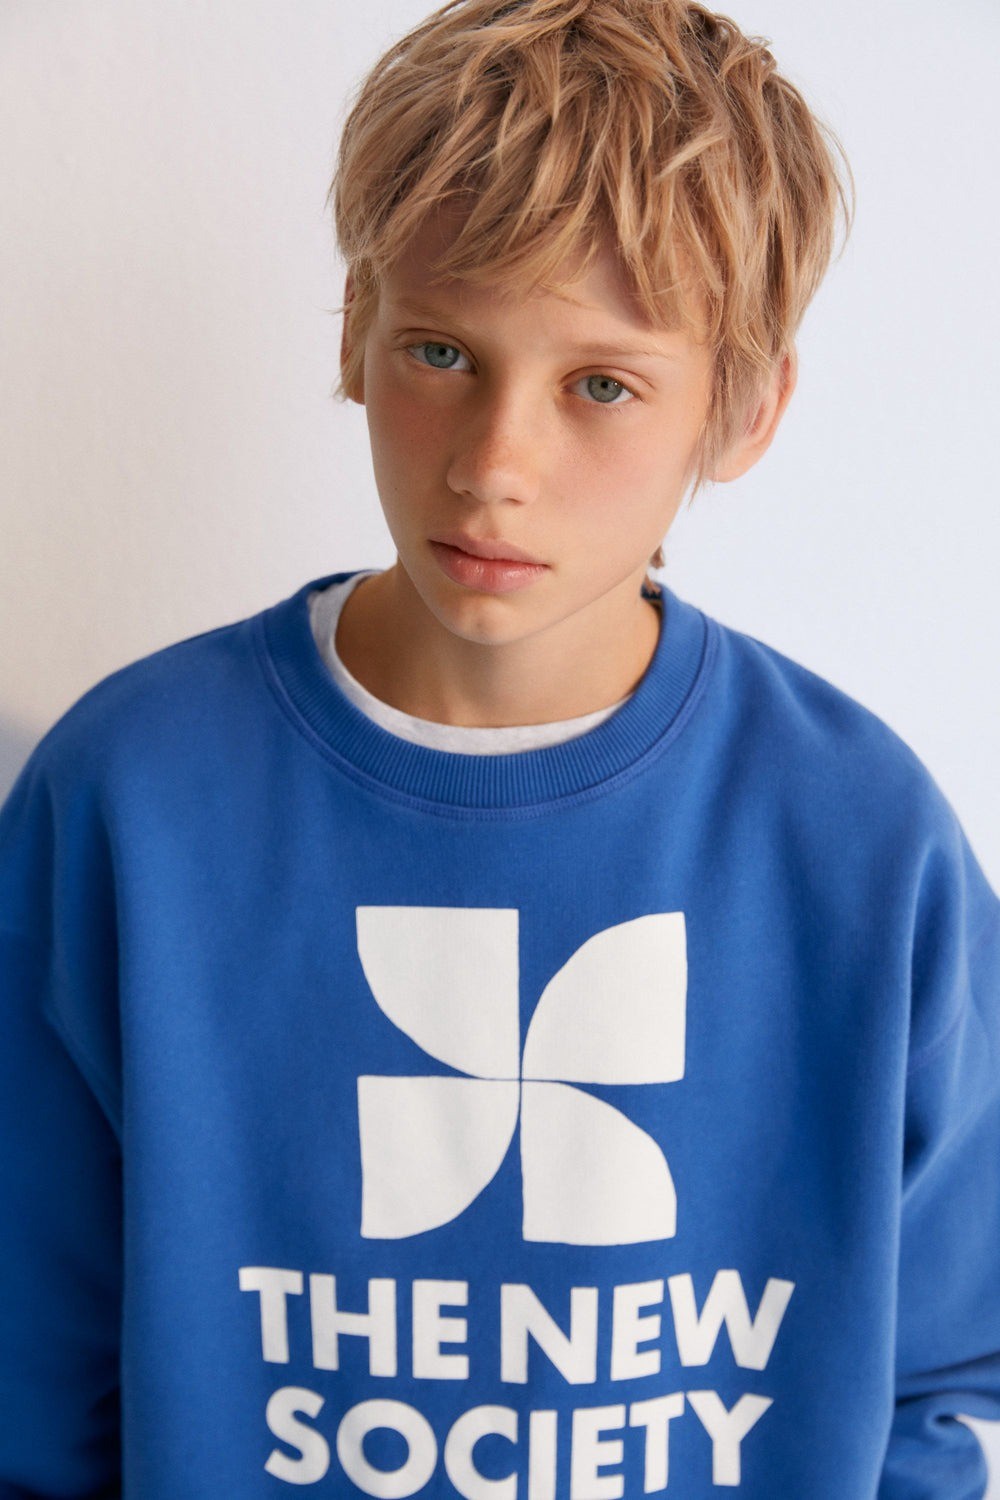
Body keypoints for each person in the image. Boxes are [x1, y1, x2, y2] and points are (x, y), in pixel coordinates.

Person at [1, 0, 998, 1494]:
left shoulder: (862, 843)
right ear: (356, 328)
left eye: (602, 384)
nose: (493, 465)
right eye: (442, 350)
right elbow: (31, 1387)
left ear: (744, 410)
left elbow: (949, 1374)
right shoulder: (125, 802)